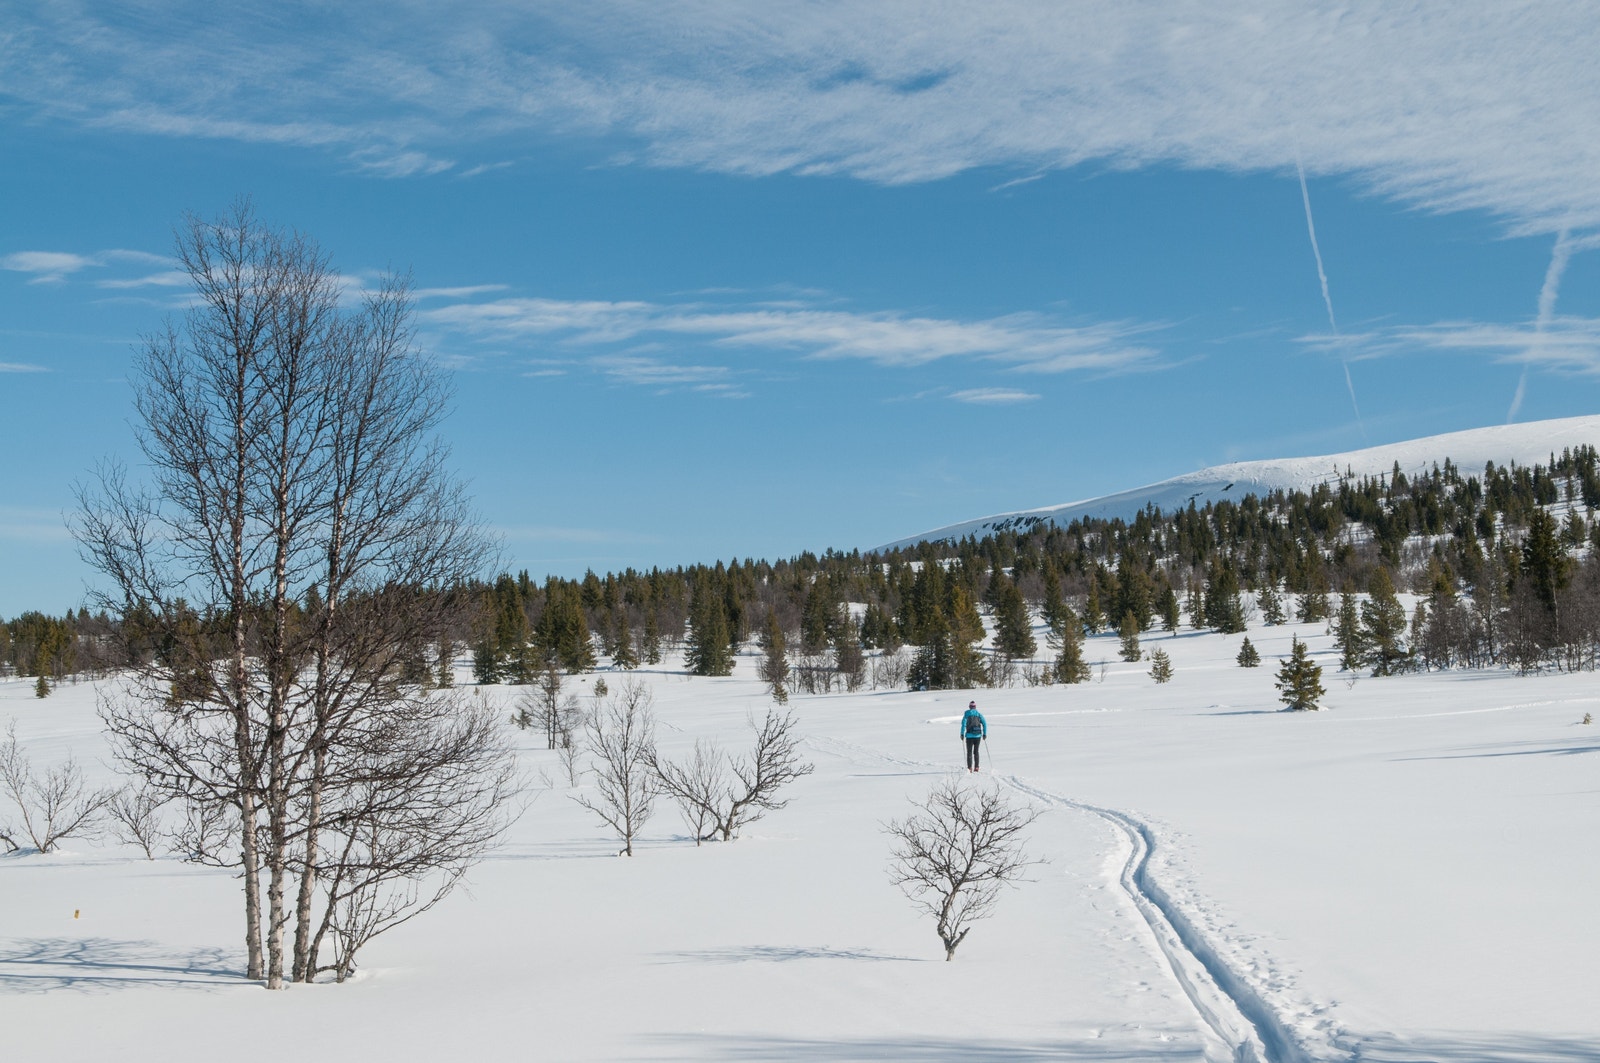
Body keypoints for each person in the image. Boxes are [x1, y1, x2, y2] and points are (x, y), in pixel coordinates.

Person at [959, 700, 986, 772]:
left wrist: (962, 734)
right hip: (978, 736)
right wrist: (984, 734)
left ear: (969, 707)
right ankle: (976, 767)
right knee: (976, 752)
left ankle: (969, 768)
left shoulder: (966, 714)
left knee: (969, 752)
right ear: (975, 707)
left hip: (969, 736)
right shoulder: (979, 714)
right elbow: (984, 723)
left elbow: (963, 725)